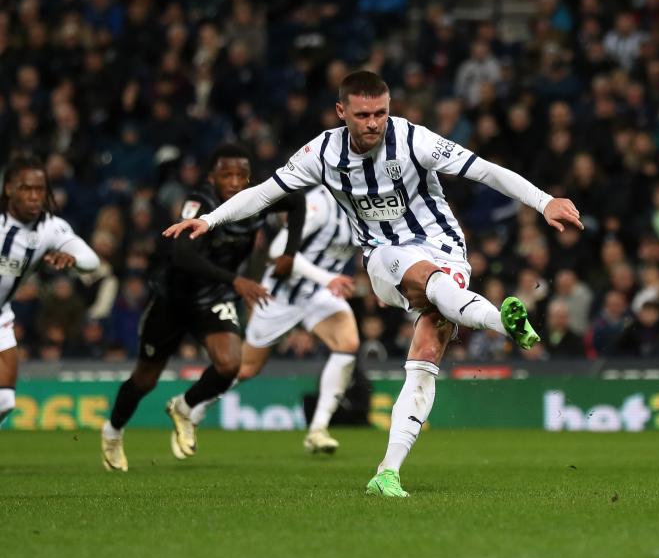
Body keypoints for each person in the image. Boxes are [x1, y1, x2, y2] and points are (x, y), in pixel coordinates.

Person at [165, 71, 582, 497]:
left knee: (426, 352)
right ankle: (499, 321)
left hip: (446, 249)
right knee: (417, 271)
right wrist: (209, 219)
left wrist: (544, 201)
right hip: (383, 257)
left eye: (381, 112)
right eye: (363, 114)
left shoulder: (414, 140)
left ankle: (388, 471)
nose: (373, 123)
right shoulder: (321, 152)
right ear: (342, 112)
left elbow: (485, 171)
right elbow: (264, 193)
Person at [100, 144, 306, 471]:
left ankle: (185, 406)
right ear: (212, 177)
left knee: (229, 364)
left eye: (241, 175)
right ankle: (112, 432)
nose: (235, 182)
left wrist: (290, 253)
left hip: (214, 298)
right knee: (145, 379)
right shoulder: (199, 203)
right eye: (227, 174)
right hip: (174, 298)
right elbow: (182, 254)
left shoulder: (257, 199)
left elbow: (296, 201)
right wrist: (235, 280)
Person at [193, 186, 359, 454]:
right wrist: (327, 279)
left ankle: (318, 430)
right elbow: (279, 249)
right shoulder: (320, 204)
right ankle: (195, 407)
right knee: (246, 368)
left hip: (318, 294)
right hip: (282, 295)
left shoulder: (367, 206)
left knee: (348, 343)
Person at [0, 156, 100, 425]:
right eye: (26, 189)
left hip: (0, 316)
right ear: (9, 189)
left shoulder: (50, 228)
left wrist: (75, 260)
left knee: (5, 401)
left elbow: (92, 260)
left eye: (40, 190)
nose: (34, 197)